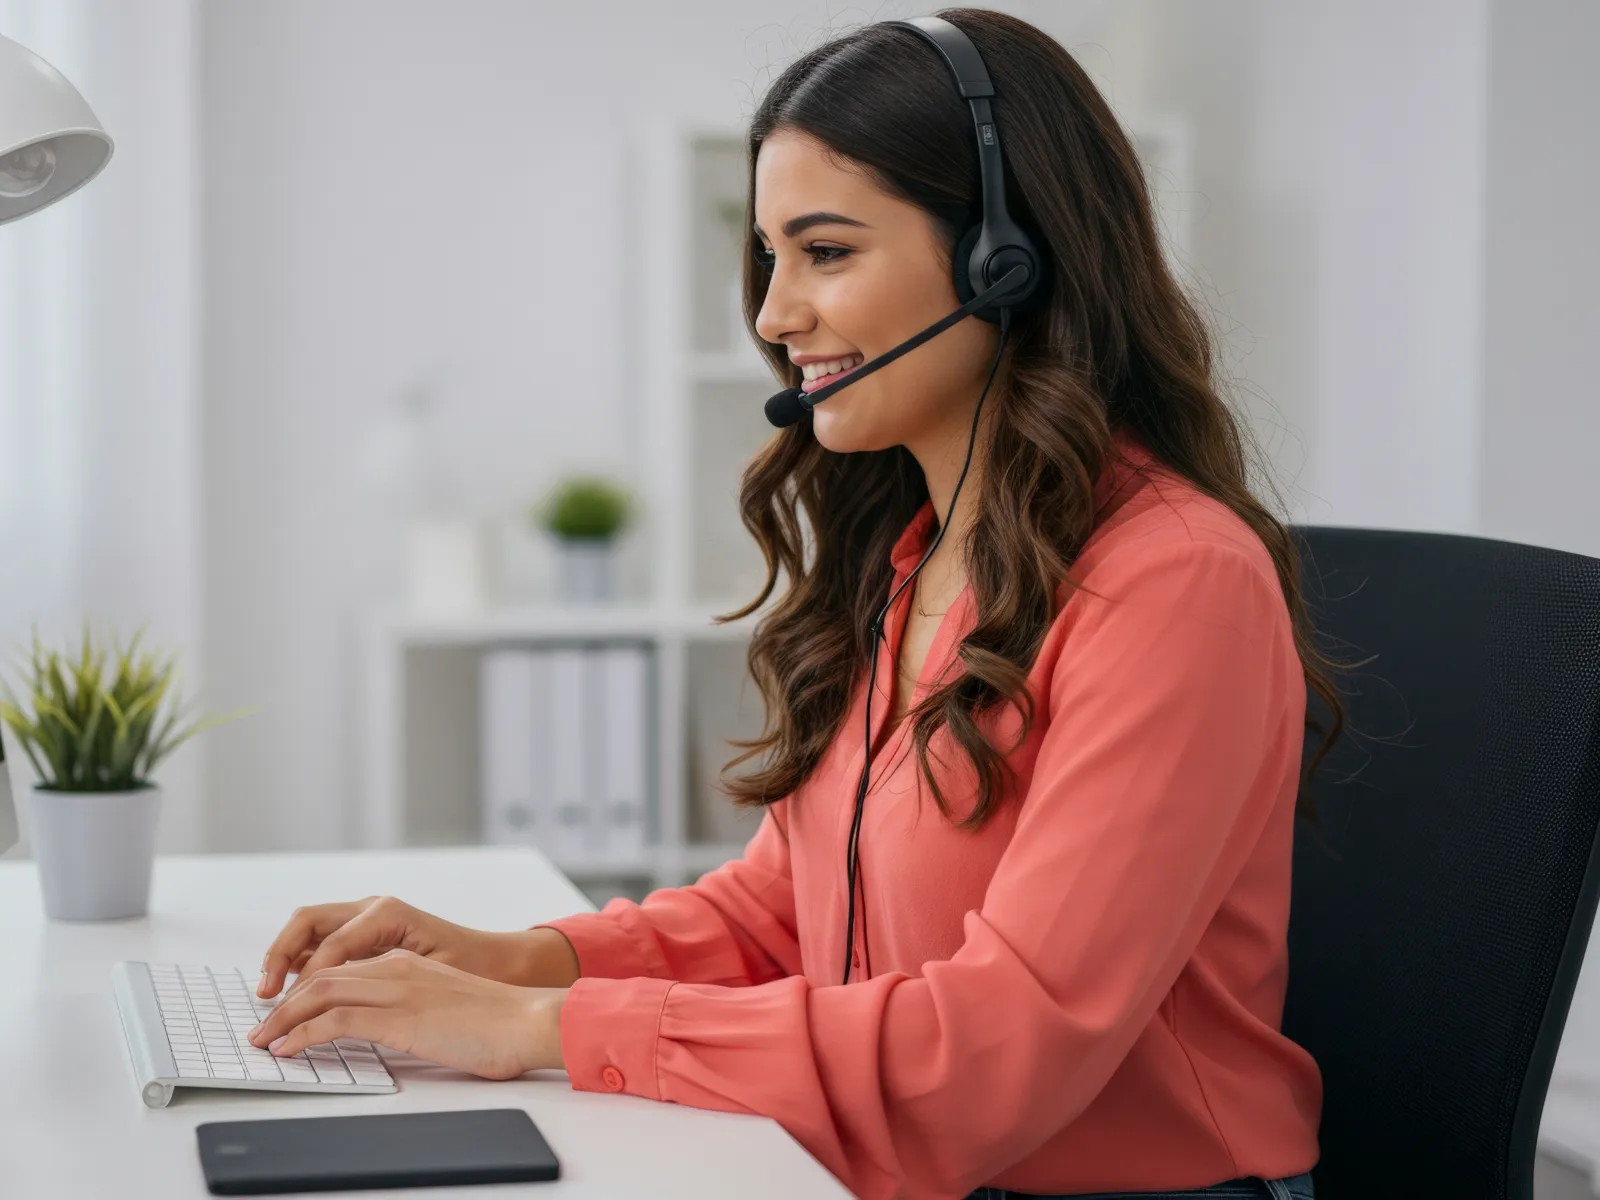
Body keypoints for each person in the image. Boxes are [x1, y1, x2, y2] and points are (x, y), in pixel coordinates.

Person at [247, 9, 1346, 1200]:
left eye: (825, 252)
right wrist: (509, 962)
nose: (773, 315)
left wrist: (536, 1030)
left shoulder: (1174, 581)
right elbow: (784, 912)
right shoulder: (916, 556)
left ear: (1006, 262)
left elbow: (1005, 1043)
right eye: (769, 258)